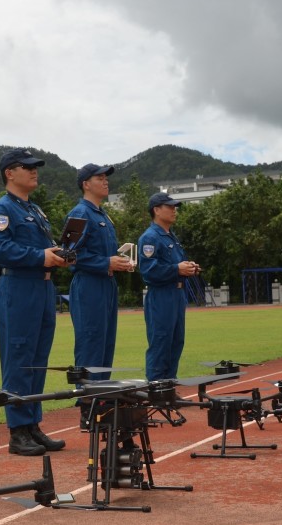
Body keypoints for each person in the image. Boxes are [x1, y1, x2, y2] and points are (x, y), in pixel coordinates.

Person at [0, 148, 70, 455]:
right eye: (27, 167)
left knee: (37, 361)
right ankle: (17, 430)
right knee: (19, 358)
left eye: (35, 167)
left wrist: (57, 255)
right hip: (19, 286)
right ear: (9, 173)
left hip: (43, 288)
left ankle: (32, 423)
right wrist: (40, 256)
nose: (34, 171)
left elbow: (41, 248)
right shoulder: (2, 211)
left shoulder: (34, 210)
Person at [66, 164, 134, 426]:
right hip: (89, 285)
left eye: (106, 178)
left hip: (106, 284)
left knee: (105, 345)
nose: (105, 182)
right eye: (100, 177)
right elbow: (72, 256)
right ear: (86, 183)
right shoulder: (80, 213)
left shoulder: (102, 214)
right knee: (91, 344)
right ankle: (88, 407)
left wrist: (117, 262)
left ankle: (102, 403)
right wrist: (106, 262)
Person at [138, 192, 200, 381]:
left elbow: (176, 265)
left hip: (177, 293)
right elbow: (148, 270)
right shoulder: (150, 238)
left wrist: (189, 268)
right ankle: (156, 389)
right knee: (161, 342)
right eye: (170, 207)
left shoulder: (170, 236)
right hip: (161, 295)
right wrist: (177, 269)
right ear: (156, 210)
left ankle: (169, 387)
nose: (174, 211)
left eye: (175, 207)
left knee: (175, 342)